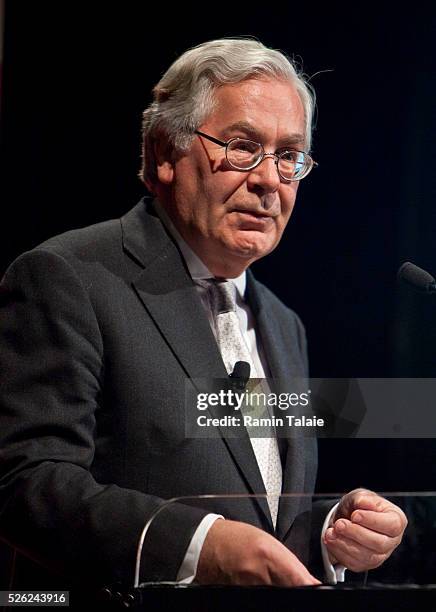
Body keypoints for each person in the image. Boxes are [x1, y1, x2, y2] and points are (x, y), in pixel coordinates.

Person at [0, 38, 406, 592]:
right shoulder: (67, 277)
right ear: (166, 153)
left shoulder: (286, 325)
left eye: (289, 156)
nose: (269, 180)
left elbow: (259, 515)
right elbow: (25, 482)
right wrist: (197, 546)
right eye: (242, 146)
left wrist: (334, 534)